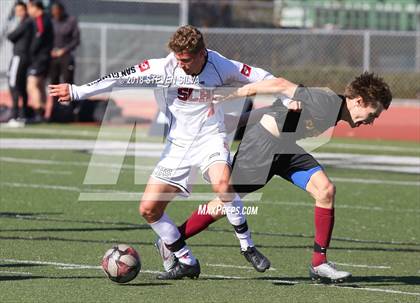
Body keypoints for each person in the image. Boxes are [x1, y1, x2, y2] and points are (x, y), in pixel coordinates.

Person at [49, 25, 286, 279]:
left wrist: (285, 97)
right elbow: (119, 78)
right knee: (149, 209)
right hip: (178, 146)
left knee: (222, 184)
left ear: (201, 54)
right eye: (177, 58)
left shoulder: (221, 65)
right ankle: (186, 261)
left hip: (211, 138)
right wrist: (76, 91)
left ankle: (247, 246)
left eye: (185, 60)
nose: (180, 64)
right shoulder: (164, 67)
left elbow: (264, 77)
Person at [155, 72, 392, 283]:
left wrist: (240, 121)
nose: (371, 121)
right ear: (359, 101)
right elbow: (278, 83)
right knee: (224, 205)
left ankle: (319, 263)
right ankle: (171, 240)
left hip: (286, 148)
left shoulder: (333, 110)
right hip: (261, 148)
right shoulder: (326, 100)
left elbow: (276, 110)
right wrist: (229, 97)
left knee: (325, 190)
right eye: (373, 114)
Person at [6, 1, 33, 127]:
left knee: (14, 85)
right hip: (23, 57)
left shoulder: (26, 23)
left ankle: (16, 115)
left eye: (20, 10)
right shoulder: (25, 22)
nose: (18, 13)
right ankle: (23, 115)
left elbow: (11, 36)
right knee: (21, 86)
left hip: (19, 57)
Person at [27, 0, 54, 122]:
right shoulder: (47, 19)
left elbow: (39, 37)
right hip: (45, 57)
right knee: (40, 84)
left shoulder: (40, 20)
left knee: (32, 85)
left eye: (29, 8)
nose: (29, 11)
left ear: (35, 8)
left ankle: (39, 112)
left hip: (40, 58)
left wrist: (30, 52)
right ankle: (42, 113)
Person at [49, 2, 80, 88]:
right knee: (53, 81)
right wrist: (50, 50)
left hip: (66, 56)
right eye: (53, 11)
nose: (55, 14)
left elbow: (76, 40)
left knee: (68, 80)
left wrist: (63, 50)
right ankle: (55, 101)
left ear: (62, 11)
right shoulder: (50, 21)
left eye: (57, 11)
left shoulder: (71, 21)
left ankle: (70, 101)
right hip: (53, 57)